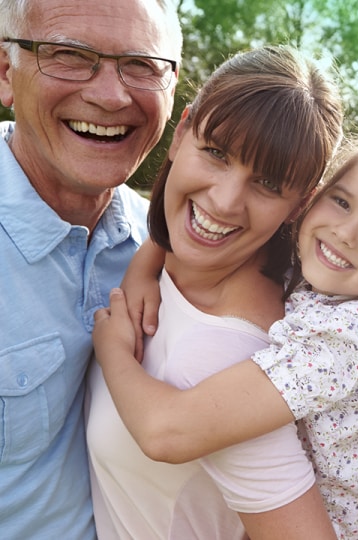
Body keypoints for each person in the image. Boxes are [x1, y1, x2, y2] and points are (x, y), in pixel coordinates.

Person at [92, 127, 358, 539]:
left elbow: (166, 433)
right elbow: (204, 227)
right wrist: (144, 268)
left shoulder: (346, 337)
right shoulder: (328, 269)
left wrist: (113, 350)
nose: (346, 232)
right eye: (341, 202)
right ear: (314, 199)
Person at [85, 44, 345, 539]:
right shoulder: (161, 259)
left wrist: (114, 352)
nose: (225, 202)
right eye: (217, 153)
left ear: (299, 206)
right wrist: (150, 257)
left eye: (268, 183)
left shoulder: (228, 359)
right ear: (182, 132)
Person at [0, 0, 181, 537]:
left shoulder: (173, 253)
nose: (110, 95)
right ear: (6, 74)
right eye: (69, 55)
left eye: (142, 64)